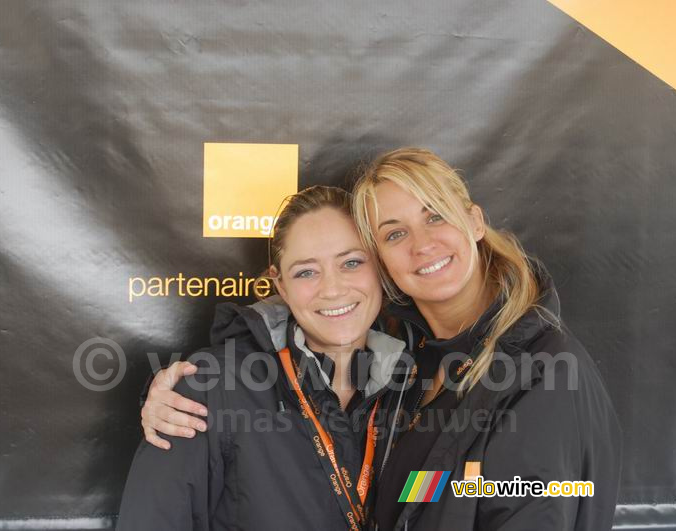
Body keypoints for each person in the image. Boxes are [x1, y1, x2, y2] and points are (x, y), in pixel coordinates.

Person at [141, 148, 622, 530]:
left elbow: (526, 499)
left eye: (436, 216)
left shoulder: (545, 374)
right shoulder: (417, 373)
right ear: (280, 285)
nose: (422, 245)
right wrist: (185, 391)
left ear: (475, 221)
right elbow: (433, 492)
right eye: (394, 234)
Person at [117, 186, 409, 531]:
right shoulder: (206, 390)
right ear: (281, 285)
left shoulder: (414, 385)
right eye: (306, 272)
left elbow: (437, 497)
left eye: (352, 262)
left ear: (380, 268)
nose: (333, 288)